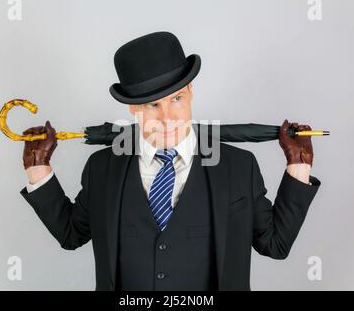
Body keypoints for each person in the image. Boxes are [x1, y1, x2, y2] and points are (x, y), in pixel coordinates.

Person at [20, 31, 321, 291]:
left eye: (176, 99)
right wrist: (38, 168)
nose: (167, 118)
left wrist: (298, 164)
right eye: (153, 105)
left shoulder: (238, 166)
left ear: (190, 91)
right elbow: (72, 234)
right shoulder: (102, 168)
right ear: (133, 110)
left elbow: (275, 244)